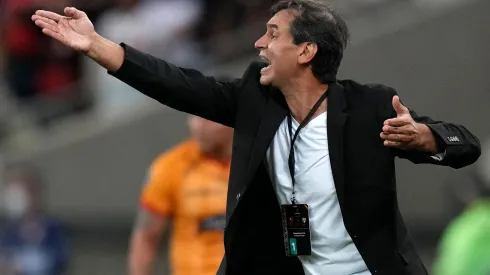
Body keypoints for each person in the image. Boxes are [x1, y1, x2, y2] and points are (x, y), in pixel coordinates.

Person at [31, 1, 481, 274]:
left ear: (306, 51)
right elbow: (177, 83)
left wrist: (428, 139)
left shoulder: (372, 107)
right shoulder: (254, 101)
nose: (258, 44)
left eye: (272, 34)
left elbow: (466, 145)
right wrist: (98, 47)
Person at [128, 115, 233, 275]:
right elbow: (145, 240)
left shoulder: (263, 164)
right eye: (194, 116)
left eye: (207, 118)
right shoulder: (170, 167)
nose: (198, 126)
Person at [0, 163, 69, 275]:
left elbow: (59, 260)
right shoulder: (10, 231)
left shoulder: (53, 229)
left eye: (17, 191)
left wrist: (21, 264)